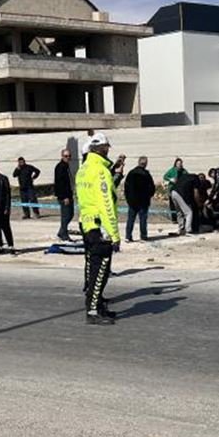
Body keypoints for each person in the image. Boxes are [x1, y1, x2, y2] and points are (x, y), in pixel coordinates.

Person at [76, 132, 120, 325]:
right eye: (106, 148)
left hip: (86, 223)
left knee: (93, 269)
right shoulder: (100, 171)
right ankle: (93, 311)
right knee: (100, 270)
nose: (108, 151)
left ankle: (98, 305)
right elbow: (106, 204)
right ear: (101, 149)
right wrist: (115, 234)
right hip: (99, 226)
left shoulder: (83, 169)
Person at [123, 156, 155, 242]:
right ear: (146, 164)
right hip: (143, 201)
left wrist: (128, 198)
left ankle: (128, 236)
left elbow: (126, 187)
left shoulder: (131, 173)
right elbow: (152, 188)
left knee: (130, 219)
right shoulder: (146, 174)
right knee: (143, 219)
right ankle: (143, 236)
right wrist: (149, 196)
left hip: (132, 201)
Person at [53, 148, 75, 242]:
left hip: (69, 194)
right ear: (62, 156)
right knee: (66, 215)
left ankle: (61, 232)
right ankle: (64, 234)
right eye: (66, 156)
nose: (68, 158)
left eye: (69, 156)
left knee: (70, 214)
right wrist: (64, 196)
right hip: (64, 196)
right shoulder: (60, 167)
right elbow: (60, 183)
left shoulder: (66, 166)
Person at [170, 168, 197, 236]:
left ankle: (181, 229)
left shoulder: (184, 177)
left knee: (179, 212)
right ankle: (188, 230)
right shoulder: (196, 179)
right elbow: (195, 193)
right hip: (180, 194)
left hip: (173, 192)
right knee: (189, 212)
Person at [163, 157, 185, 223]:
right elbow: (165, 176)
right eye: (178, 163)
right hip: (172, 189)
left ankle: (181, 218)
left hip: (180, 190)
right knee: (172, 205)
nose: (179, 165)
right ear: (175, 164)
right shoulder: (172, 170)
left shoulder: (183, 171)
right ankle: (174, 219)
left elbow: (188, 176)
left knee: (180, 205)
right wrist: (171, 179)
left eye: (180, 163)